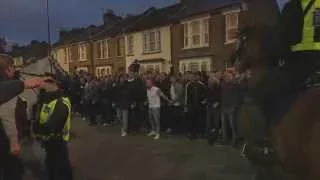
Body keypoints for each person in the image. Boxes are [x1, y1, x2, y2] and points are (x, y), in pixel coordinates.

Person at [249, 0, 320, 139]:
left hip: (301, 65)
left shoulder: (294, 6)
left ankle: (266, 141)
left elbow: (279, 43)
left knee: (261, 91)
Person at [0, 54, 48, 180]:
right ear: (9, 68)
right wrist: (14, 141)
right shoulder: (8, 89)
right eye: (13, 67)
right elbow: (6, 114)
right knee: (12, 172)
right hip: (4, 141)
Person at [34, 75, 73, 180]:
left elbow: (54, 124)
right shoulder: (47, 99)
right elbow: (40, 117)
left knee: (61, 170)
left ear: (52, 83)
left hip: (58, 141)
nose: (40, 86)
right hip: (49, 142)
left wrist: (39, 129)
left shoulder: (61, 101)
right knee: (51, 167)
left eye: (43, 83)